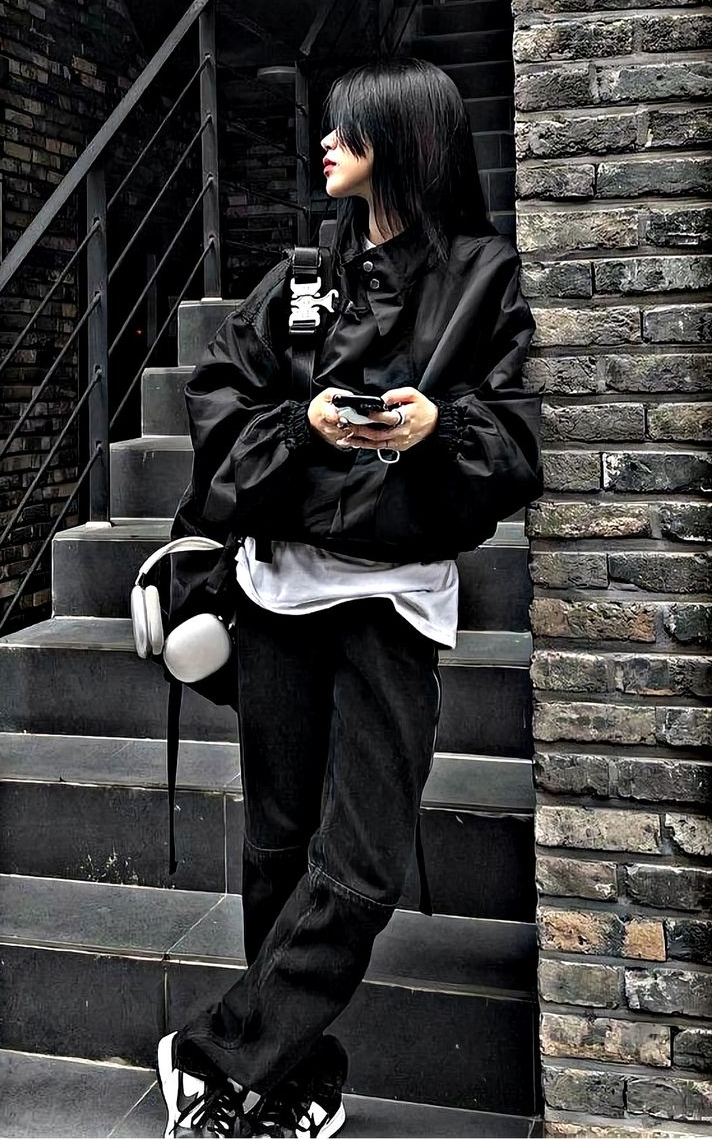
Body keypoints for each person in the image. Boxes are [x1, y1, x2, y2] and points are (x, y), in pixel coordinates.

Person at [157, 57, 544, 1138]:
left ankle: (217, 1056)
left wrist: (437, 431)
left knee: (361, 865)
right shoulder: (299, 281)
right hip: (279, 592)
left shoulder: (480, 275)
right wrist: (307, 428)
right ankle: (286, 1085)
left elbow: (513, 440)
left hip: (393, 605)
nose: (323, 145)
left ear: (403, 137)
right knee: (278, 848)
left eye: (346, 129)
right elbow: (224, 404)